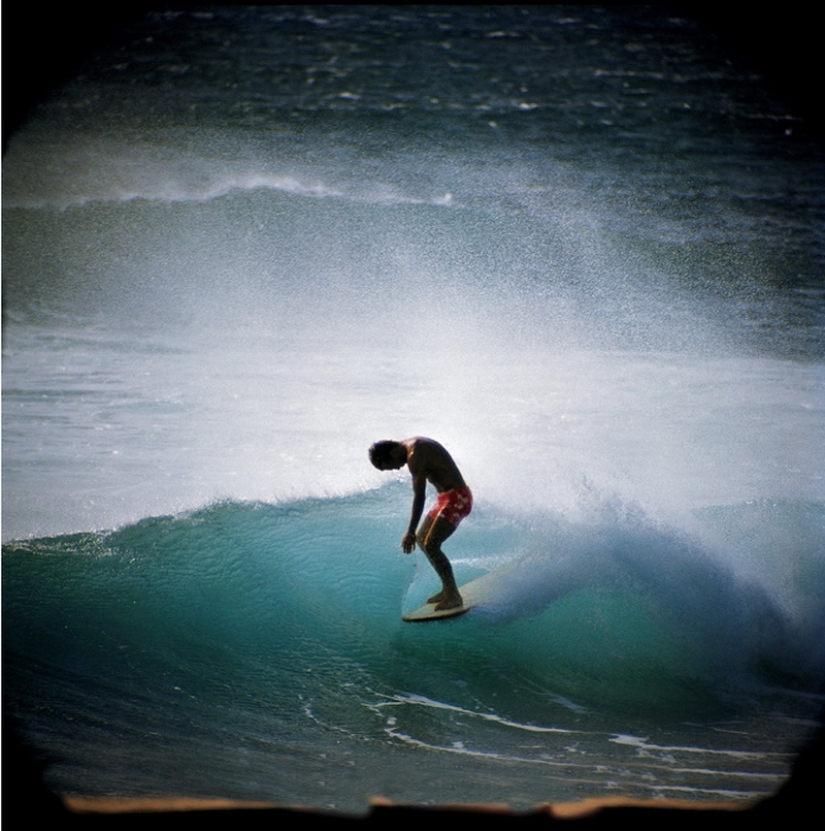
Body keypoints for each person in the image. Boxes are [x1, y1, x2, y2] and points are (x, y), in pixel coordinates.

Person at [368, 437, 472, 610]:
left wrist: (410, 531)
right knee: (422, 539)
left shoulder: (416, 455)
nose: (398, 467)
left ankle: (454, 596)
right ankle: (448, 589)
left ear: (393, 452)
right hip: (445, 498)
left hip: (457, 498)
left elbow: (420, 496)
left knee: (431, 544)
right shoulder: (412, 444)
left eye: (393, 465)